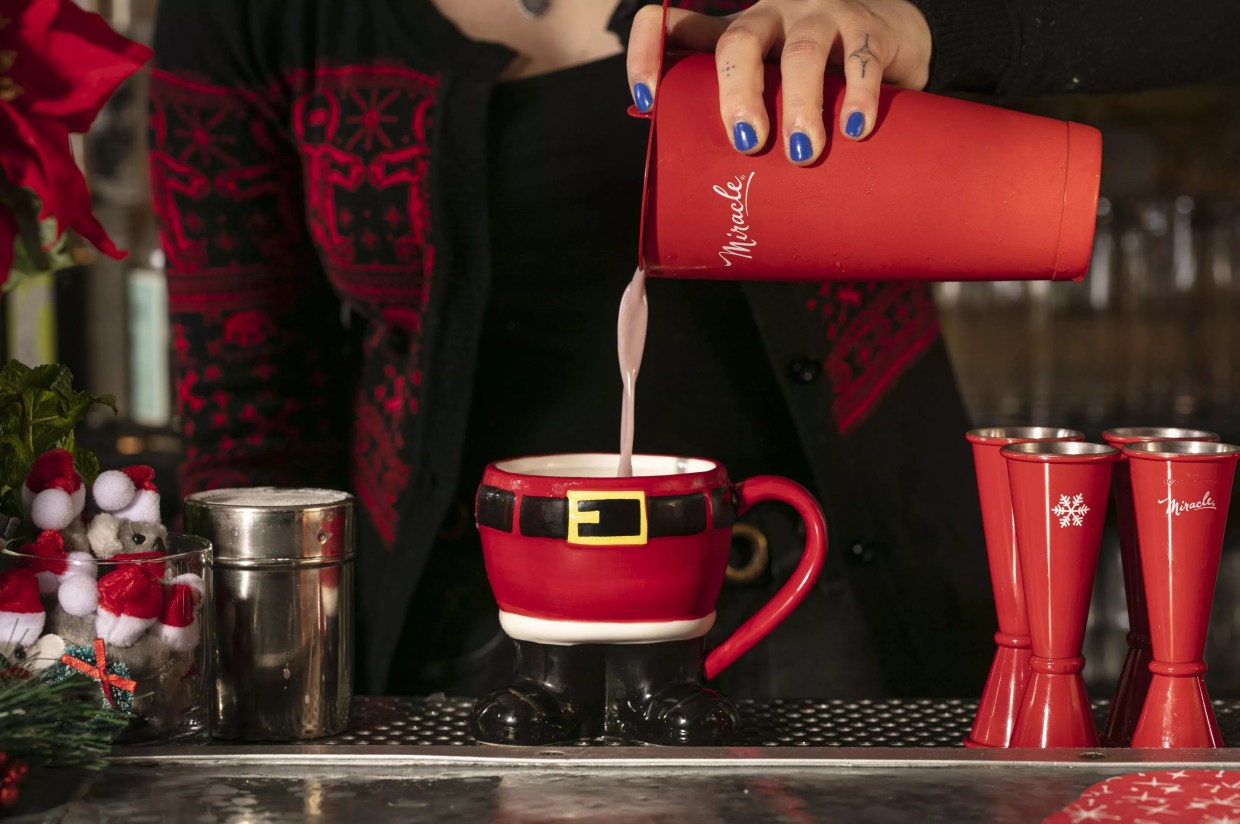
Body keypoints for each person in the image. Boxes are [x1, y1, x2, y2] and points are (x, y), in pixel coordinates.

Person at [148, 0, 1240, 706]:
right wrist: (272, 701)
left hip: (837, 623)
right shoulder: (256, 17)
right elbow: (248, 397)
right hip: (450, 660)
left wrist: (919, 24)